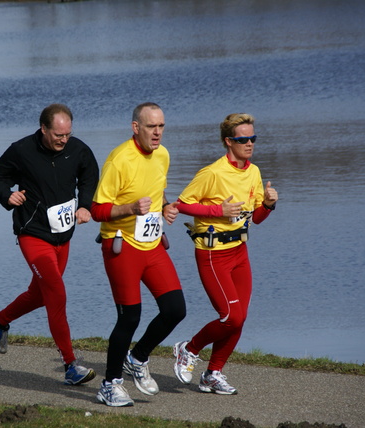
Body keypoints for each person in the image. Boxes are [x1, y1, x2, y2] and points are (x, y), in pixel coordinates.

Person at [0, 103, 99, 386]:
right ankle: (70, 365)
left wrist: (85, 205)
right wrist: (7, 196)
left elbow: (89, 176)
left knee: (40, 294)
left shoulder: (78, 149)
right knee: (57, 293)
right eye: (58, 134)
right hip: (33, 234)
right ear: (44, 129)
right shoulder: (22, 151)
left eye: (67, 134)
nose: (63, 140)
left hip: (63, 237)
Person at [172, 113, 278, 395]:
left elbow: (256, 218)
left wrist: (268, 204)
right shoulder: (212, 173)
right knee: (230, 315)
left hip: (240, 252)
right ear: (228, 142)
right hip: (212, 253)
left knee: (239, 317)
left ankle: (212, 374)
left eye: (253, 138)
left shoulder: (253, 172)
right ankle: (188, 348)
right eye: (243, 139)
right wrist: (218, 210)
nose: (250, 144)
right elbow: (182, 204)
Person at [90, 102, 186, 407]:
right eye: (151, 127)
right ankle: (110, 384)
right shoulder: (119, 159)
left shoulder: (163, 155)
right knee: (130, 317)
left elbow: (157, 193)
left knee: (175, 309)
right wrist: (129, 209)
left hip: (152, 244)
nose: (157, 133)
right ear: (136, 128)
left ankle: (138, 357)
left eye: (161, 127)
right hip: (121, 246)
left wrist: (167, 206)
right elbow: (97, 210)